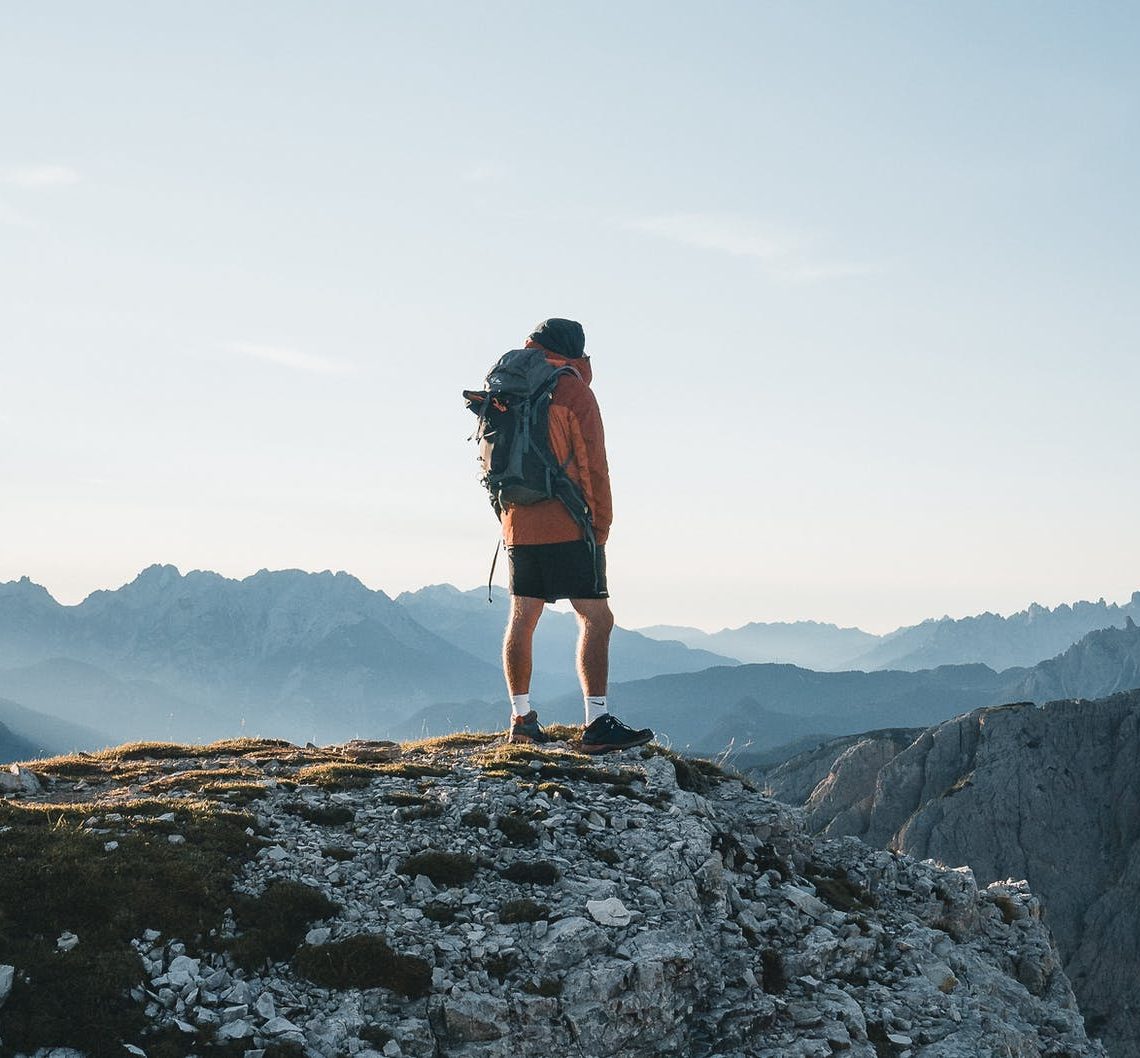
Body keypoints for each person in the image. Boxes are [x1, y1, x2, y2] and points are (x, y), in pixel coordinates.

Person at [498, 317, 654, 754]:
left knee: (523, 618)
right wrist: (599, 527)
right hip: (568, 522)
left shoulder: (510, 386)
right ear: (576, 352)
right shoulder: (570, 390)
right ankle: (597, 722)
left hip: (517, 523)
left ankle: (521, 720)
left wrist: (510, 519)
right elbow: (593, 467)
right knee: (596, 618)